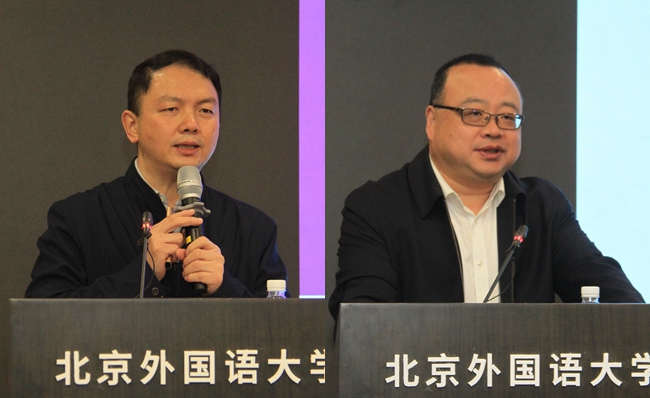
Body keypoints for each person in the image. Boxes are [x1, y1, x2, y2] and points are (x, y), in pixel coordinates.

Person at [329, 53, 643, 318]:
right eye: (475, 113)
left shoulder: (541, 207)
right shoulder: (376, 208)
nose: (493, 130)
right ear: (432, 121)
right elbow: (363, 325)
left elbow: (622, 306)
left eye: (507, 117)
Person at [26, 49, 287, 298]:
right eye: (171, 109)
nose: (191, 124)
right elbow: (44, 318)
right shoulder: (77, 219)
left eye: (206, 111)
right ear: (132, 126)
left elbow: (283, 326)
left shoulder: (254, 229)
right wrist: (143, 273)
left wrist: (224, 287)